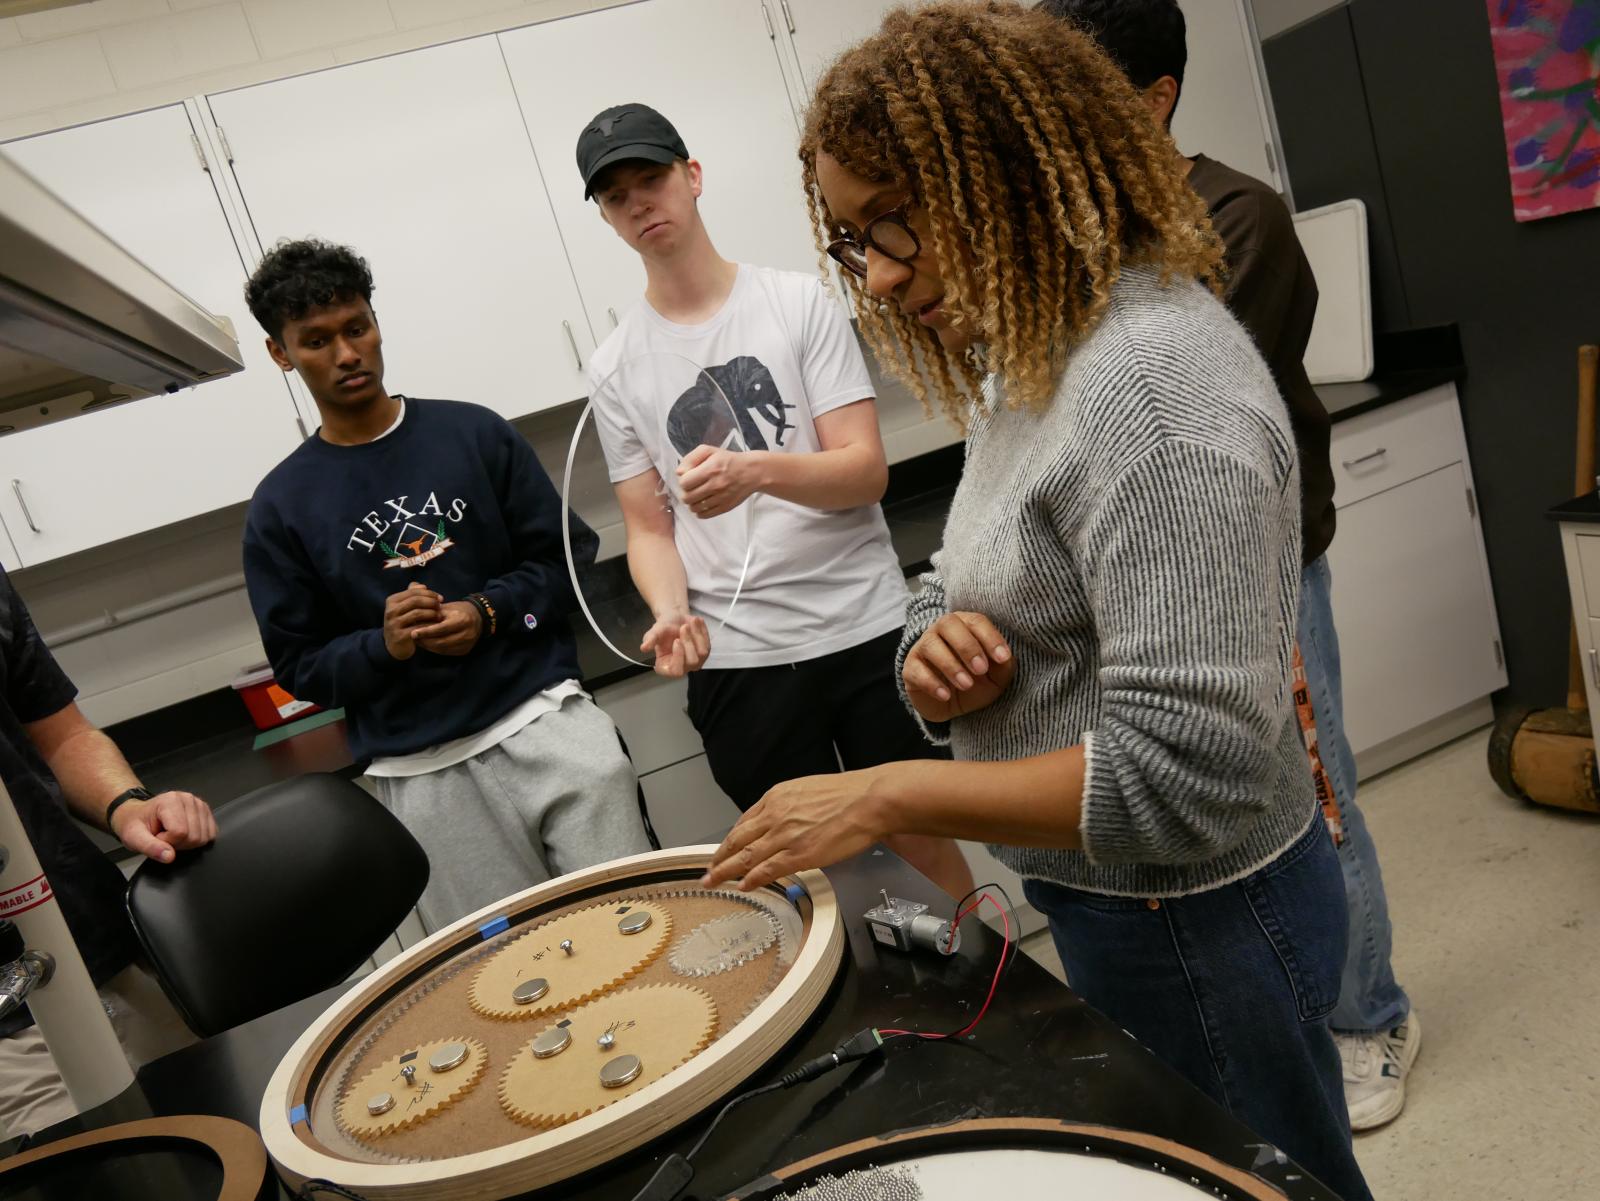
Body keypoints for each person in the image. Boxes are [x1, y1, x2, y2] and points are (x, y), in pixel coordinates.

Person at [702, 6, 1373, 1198]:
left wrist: (883, 792)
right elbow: (950, 574)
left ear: (1010, 174)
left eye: (898, 220)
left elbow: (1185, 777)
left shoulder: (1156, 389)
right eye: (856, 241)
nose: (884, 273)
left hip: (1199, 918)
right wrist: (932, 648)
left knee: (1270, 1181)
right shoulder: (1038, 355)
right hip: (1119, 899)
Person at [1038, 0, 1417, 1134]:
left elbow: (1191, 413)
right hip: (1127, 575)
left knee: (1317, 795)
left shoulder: (1232, 215)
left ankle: (1370, 1015)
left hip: (1255, 566)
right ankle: (1283, 1023)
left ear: (1152, 99)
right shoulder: (1070, 229)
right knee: (1219, 814)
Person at [574, 103, 973, 899]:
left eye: (651, 179)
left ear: (691, 177)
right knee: (810, 877)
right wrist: (667, 609)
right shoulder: (615, 366)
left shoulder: (797, 303)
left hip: (863, 626)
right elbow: (649, 526)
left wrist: (754, 471)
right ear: (608, 217)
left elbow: (864, 471)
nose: (639, 203)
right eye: (616, 196)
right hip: (740, 658)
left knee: (919, 837)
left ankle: (987, 995)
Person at [241, 240, 651, 933]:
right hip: (421, 776)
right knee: (513, 981)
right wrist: (385, 645)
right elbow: (300, 665)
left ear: (375, 323)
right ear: (282, 354)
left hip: (546, 723)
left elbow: (568, 561)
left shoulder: (473, 433)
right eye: (316, 341)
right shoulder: (281, 506)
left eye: (356, 327)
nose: (346, 354)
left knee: (635, 928)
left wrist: (488, 611)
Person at [0, 570, 212, 1135]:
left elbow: (62, 736)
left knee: (234, 1142)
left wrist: (126, 806)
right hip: (11, 1031)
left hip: (111, 953)